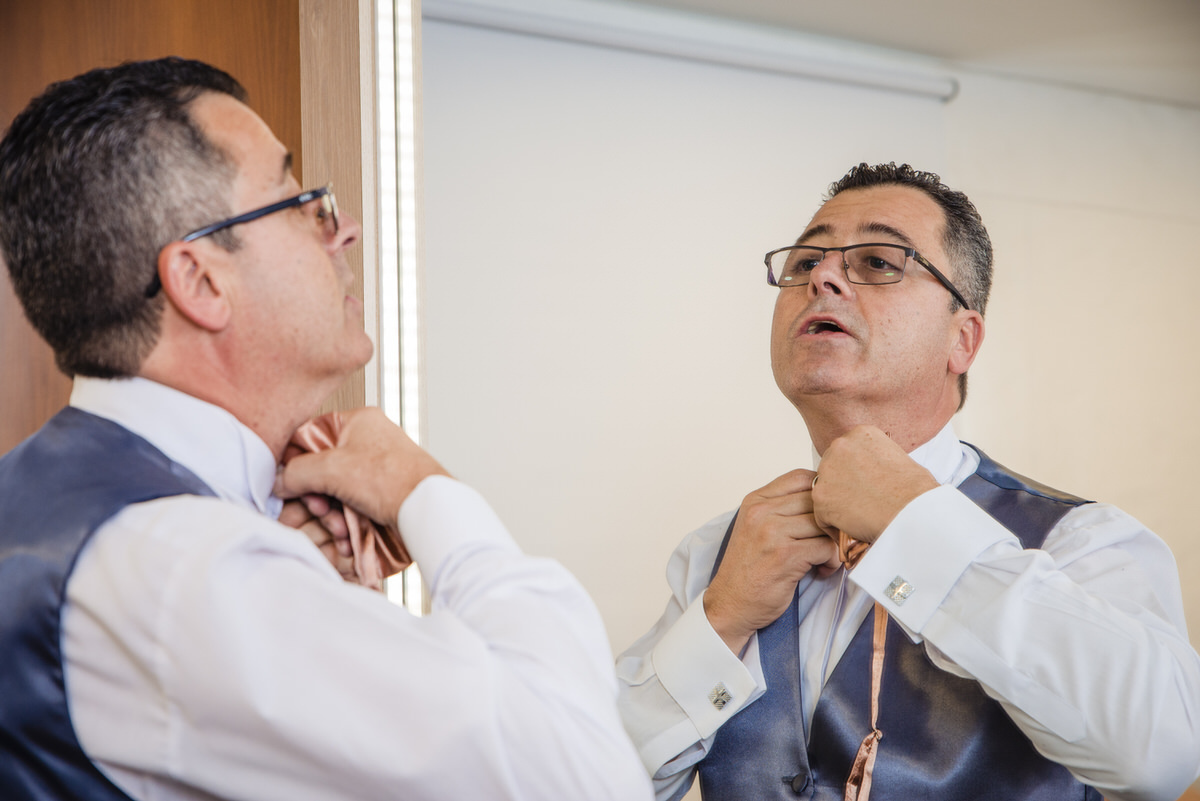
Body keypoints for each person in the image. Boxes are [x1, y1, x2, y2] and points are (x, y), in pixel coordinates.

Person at [0, 57, 652, 801]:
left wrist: (320, 594)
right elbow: (584, 775)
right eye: (301, 200)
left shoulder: (50, 505)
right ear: (201, 281)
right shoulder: (186, 567)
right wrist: (424, 492)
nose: (345, 229)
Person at [615, 162, 1200, 801]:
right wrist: (720, 619)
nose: (823, 277)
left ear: (962, 340)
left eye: (877, 262)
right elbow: (580, 778)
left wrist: (913, 524)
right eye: (805, 262)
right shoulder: (716, 555)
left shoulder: (1081, 540)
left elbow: (1164, 756)